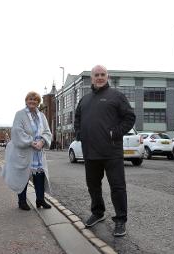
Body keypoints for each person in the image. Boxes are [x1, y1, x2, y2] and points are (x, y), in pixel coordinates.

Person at [74, 65, 135, 237]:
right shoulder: (84, 100)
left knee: (117, 187)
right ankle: (98, 212)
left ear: (107, 76)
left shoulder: (116, 96)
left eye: (102, 75)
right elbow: (77, 118)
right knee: (93, 186)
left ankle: (121, 220)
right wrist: (80, 134)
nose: (99, 77)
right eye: (96, 75)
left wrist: (115, 132)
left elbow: (130, 117)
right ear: (92, 78)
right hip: (90, 152)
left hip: (111, 152)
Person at [1, 91, 52, 211]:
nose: (33, 101)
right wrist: (31, 142)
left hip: (38, 152)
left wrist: (42, 142)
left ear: (38, 102)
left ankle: (40, 199)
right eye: (30, 99)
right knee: (23, 176)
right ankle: (22, 201)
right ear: (26, 101)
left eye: (35, 100)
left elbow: (47, 132)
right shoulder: (20, 114)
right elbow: (17, 131)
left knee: (39, 175)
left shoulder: (42, 116)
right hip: (25, 150)